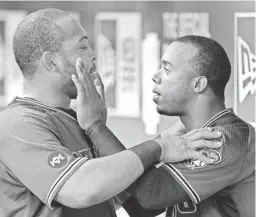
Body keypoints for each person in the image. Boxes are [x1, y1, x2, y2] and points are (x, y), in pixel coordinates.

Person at [0, 9, 222, 217]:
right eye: (82, 47)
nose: (93, 55)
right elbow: (80, 189)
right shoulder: (16, 125)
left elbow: (133, 200)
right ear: (52, 62)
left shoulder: (77, 119)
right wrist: (160, 148)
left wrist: (163, 139)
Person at [112, 36, 255, 217]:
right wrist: (162, 141)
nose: (155, 76)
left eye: (166, 69)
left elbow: (150, 194)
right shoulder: (187, 139)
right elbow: (140, 208)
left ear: (198, 84)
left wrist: (96, 126)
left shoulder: (230, 138)